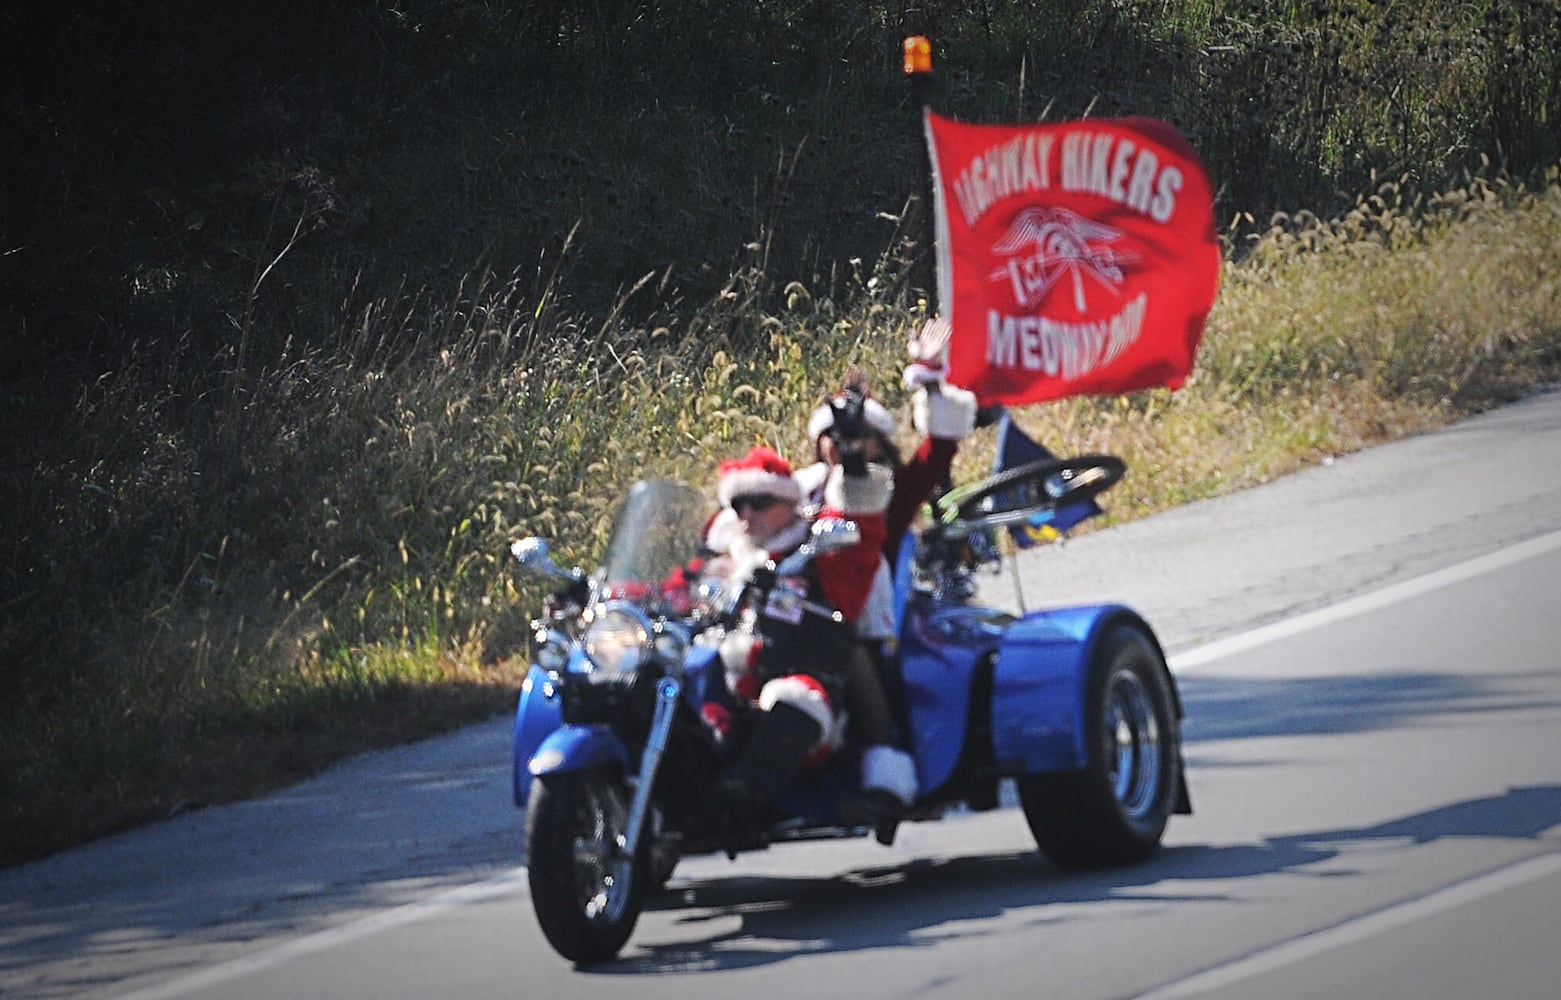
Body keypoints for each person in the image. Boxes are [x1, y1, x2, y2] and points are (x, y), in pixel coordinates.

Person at [795, 335, 978, 819]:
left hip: (865, 625)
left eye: (856, 437)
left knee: (847, 651)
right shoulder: (795, 492)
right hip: (790, 615)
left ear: (877, 442)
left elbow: (937, 453)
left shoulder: (885, 495)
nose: (840, 447)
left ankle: (881, 766)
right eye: (832, 437)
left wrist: (932, 380)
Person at [702, 442, 891, 818]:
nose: (747, 515)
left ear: (790, 505)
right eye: (738, 505)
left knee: (793, 698)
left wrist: (854, 472)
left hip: (806, 689)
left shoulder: (821, 555)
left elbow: (861, 541)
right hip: (732, 691)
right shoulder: (728, 562)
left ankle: (740, 795)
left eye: (760, 503)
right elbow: (670, 589)